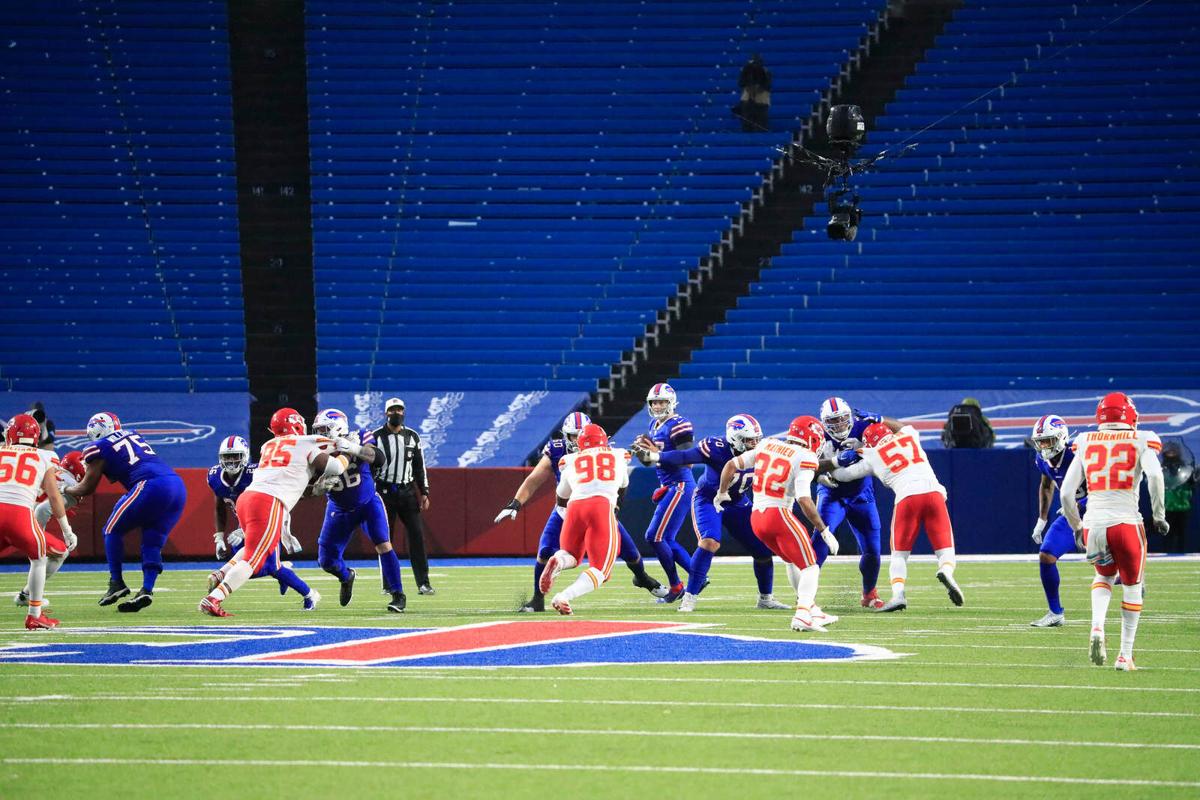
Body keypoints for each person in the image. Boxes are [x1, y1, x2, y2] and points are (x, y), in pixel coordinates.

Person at [494, 411, 666, 612]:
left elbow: (560, 492)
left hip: (572, 504)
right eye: (572, 436)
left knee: (625, 552)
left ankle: (642, 578)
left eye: (580, 435)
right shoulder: (609, 453)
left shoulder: (569, 461)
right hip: (587, 506)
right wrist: (516, 502)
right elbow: (534, 479)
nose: (576, 440)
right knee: (552, 552)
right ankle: (538, 598)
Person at [199, 407, 349, 617]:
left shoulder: (268, 445)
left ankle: (221, 574)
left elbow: (292, 473)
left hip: (247, 499)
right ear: (297, 424)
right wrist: (349, 453)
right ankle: (214, 598)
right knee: (253, 560)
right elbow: (334, 467)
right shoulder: (303, 442)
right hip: (268, 502)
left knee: (260, 555)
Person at [633, 413, 790, 612]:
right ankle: (689, 597)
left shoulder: (765, 450)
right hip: (709, 499)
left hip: (738, 502)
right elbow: (684, 456)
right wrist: (656, 456)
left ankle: (766, 598)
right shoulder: (715, 447)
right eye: (749, 440)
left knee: (762, 550)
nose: (754, 444)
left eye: (756, 440)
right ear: (734, 438)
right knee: (709, 542)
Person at [1060, 392, 1167, 671]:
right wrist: (1159, 515)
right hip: (1126, 522)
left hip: (1094, 523)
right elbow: (1155, 476)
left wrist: (1076, 526)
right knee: (1132, 587)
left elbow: (1066, 493)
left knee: (1103, 576)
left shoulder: (1084, 441)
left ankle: (1097, 627)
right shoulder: (1143, 438)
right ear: (1130, 415)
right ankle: (1124, 656)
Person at [716, 415, 839, 632]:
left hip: (757, 518)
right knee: (810, 566)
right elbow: (804, 499)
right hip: (778, 514)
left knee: (792, 561)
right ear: (812, 438)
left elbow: (731, 464)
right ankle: (802, 614)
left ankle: (811, 608)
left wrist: (722, 492)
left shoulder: (767, 444)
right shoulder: (806, 456)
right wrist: (824, 530)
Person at [829, 420, 964, 612]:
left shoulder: (871, 455)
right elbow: (902, 427)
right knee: (945, 548)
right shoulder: (910, 436)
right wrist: (881, 419)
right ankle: (946, 570)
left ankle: (898, 594)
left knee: (899, 555)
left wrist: (835, 462)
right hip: (934, 493)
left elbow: (843, 475)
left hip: (907, 498)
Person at [67, 411, 187, 612]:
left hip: (150, 485)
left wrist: (63, 488)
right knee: (152, 541)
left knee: (111, 530)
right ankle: (146, 589)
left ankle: (117, 583)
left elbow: (86, 488)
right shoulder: (133, 434)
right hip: (177, 486)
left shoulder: (98, 446)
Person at [206, 435, 319, 610]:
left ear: (245, 456)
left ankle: (310, 594)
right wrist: (219, 536)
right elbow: (219, 506)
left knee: (264, 566)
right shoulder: (215, 477)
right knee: (257, 568)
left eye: (235, 456)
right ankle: (295, 582)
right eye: (227, 457)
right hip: (244, 524)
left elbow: (274, 499)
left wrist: (245, 530)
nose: (231, 461)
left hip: (267, 520)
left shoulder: (258, 472)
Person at [313, 408, 407, 613]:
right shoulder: (315, 449)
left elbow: (380, 459)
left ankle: (398, 594)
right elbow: (307, 486)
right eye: (318, 430)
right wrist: (315, 489)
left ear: (339, 428)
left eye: (324, 429)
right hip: (338, 509)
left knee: (383, 544)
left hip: (367, 503)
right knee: (326, 561)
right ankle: (346, 577)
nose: (320, 435)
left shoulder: (359, 436)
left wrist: (353, 448)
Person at [538, 424, 631, 615]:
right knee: (602, 570)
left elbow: (561, 496)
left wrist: (565, 514)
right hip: (601, 505)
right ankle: (563, 596)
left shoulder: (570, 460)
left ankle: (558, 560)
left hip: (574, 506)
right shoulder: (619, 455)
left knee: (571, 554)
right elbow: (623, 485)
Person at [814, 397, 891, 610]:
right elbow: (799, 464)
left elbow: (901, 436)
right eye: (833, 421)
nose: (839, 425)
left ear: (850, 417)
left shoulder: (864, 426)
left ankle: (869, 593)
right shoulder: (816, 433)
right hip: (831, 493)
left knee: (873, 550)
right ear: (823, 422)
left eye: (842, 420)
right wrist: (818, 476)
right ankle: (806, 596)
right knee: (820, 541)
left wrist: (881, 421)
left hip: (861, 494)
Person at [0, 414, 74, 629]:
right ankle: (34, 614)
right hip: (19, 516)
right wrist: (67, 530)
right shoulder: (45, 455)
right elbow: (54, 496)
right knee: (39, 559)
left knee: (51, 553)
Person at [632, 383, 695, 602]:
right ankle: (696, 577)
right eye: (655, 402)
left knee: (654, 536)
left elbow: (688, 461)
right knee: (665, 537)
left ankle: (678, 585)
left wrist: (656, 452)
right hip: (669, 486)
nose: (658, 406)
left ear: (672, 403)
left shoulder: (679, 424)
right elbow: (650, 462)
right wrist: (641, 453)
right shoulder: (653, 424)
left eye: (662, 402)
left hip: (680, 484)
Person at [1027, 415, 1087, 627]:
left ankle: (1132, 580)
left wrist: (1081, 504)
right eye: (1040, 441)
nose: (1043, 446)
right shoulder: (1042, 460)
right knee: (1047, 554)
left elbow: (1100, 483)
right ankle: (1055, 612)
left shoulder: (1078, 453)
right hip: (1072, 512)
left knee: (1106, 558)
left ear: (1061, 437)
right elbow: (1046, 485)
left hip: (1098, 508)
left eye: (1048, 440)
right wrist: (1042, 519)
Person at [372, 397, 434, 595]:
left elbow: (419, 466)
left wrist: (424, 491)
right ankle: (388, 584)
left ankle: (423, 583)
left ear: (404, 412)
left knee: (417, 537)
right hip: (383, 492)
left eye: (399, 410)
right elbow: (369, 466)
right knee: (384, 539)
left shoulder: (413, 436)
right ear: (386, 413)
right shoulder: (376, 437)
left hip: (407, 492)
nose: (396, 413)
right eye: (392, 410)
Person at [22, 450, 85, 608]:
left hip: (10, 511)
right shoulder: (71, 485)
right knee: (58, 553)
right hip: (19, 521)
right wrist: (38, 536)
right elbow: (42, 510)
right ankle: (28, 596)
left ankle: (27, 594)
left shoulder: (51, 470)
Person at [1160, 439, 1194, 553]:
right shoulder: (1161, 468)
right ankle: (1166, 553)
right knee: (1167, 533)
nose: (1171, 454)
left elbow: (1191, 483)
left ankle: (1180, 554)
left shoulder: (1185, 468)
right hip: (1167, 506)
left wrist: (1193, 480)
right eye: (1169, 452)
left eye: (1173, 451)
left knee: (1181, 533)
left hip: (1183, 506)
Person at [735, 53, 771, 132]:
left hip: (761, 96)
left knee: (760, 116)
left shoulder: (765, 72)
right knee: (747, 115)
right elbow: (741, 82)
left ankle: (760, 129)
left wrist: (758, 88)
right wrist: (749, 88)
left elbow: (766, 85)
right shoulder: (746, 70)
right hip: (748, 94)